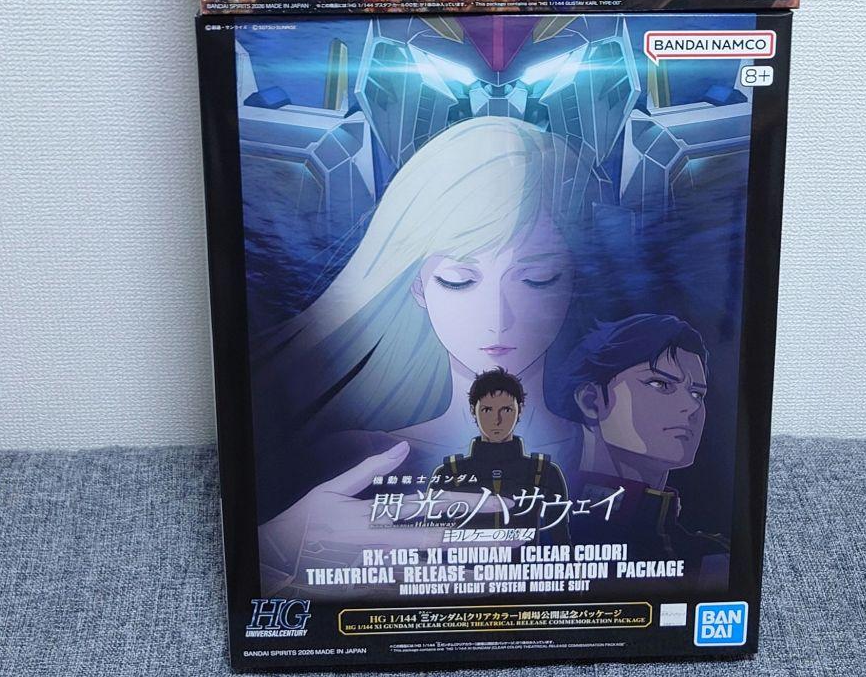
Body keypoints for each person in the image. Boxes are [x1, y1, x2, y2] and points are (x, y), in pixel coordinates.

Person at [254, 116, 589, 592]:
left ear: (574, 280)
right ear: (418, 286)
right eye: (459, 280)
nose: (497, 318)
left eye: (537, 279)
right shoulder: (356, 457)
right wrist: (275, 549)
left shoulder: (614, 448)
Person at [553, 313, 729, 586]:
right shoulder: (545, 535)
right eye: (660, 384)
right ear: (591, 400)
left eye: (697, 393)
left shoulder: (713, 558)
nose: (692, 406)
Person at [435, 368, 570, 545]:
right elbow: (430, 542)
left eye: (506, 410)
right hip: (467, 563)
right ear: (473, 410)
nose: (496, 420)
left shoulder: (544, 471)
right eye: (487, 410)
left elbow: (561, 540)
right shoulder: (449, 472)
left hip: (524, 563)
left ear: (519, 410)